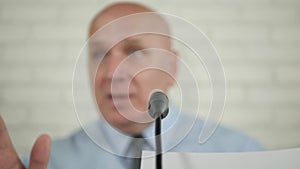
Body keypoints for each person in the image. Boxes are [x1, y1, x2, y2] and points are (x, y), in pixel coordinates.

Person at [0, 2, 262, 169]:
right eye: (100, 55)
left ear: (171, 68)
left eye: (135, 52)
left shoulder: (241, 155)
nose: (112, 73)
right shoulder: (48, 162)